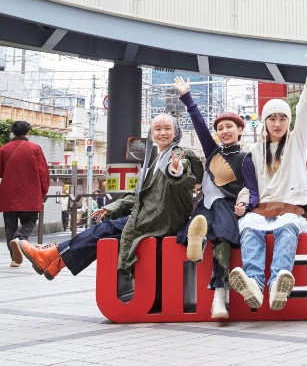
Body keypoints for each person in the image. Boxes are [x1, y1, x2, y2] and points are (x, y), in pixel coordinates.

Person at [15, 113, 203, 303]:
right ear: (151, 133)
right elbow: (140, 195)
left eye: (167, 129)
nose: (163, 133)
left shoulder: (178, 153)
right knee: (105, 239)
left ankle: (52, 254)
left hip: (160, 219)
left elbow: (182, 174)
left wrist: (176, 170)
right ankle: (59, 262)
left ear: (175, 132)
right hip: (151, 216)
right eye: (158, 129)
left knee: (104, 228)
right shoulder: (158, 158)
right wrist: (112, 207)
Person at [229, 55, 307, 311]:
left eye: (283, 118)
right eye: (272, 118)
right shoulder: (254, 151)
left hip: (291, 209)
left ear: (288, 122)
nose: (278, 123)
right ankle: (255, 287)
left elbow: (304, 108)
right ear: (265, 121)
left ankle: (278, 285)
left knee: (288, 230)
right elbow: (249, 187)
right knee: (249, 231)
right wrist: (243, 203)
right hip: (262, 210)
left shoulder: (296, 143)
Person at [174, 76, 254, 319]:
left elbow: (251, 187)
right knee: (204, 221)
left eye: (229, 126)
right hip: (205, 207)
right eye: (220, 128)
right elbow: (199, 125)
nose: (224, 131)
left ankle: (219, 295)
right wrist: (188, 98)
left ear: (240, 130)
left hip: (228, 209)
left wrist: (245, 205)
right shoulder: (212, 151)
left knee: (221, 238)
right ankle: (196, 241)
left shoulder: (246, 158)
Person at [0, 121, 49, 268]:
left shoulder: (3, 149)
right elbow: (43, 173)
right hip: (30, 192)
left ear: (13, 132)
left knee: (10, 225)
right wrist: (43, 191)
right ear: (28, 132)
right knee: (30, 221)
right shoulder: (35, 148)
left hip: (8, 194)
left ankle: (14, 259)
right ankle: (20, 238)